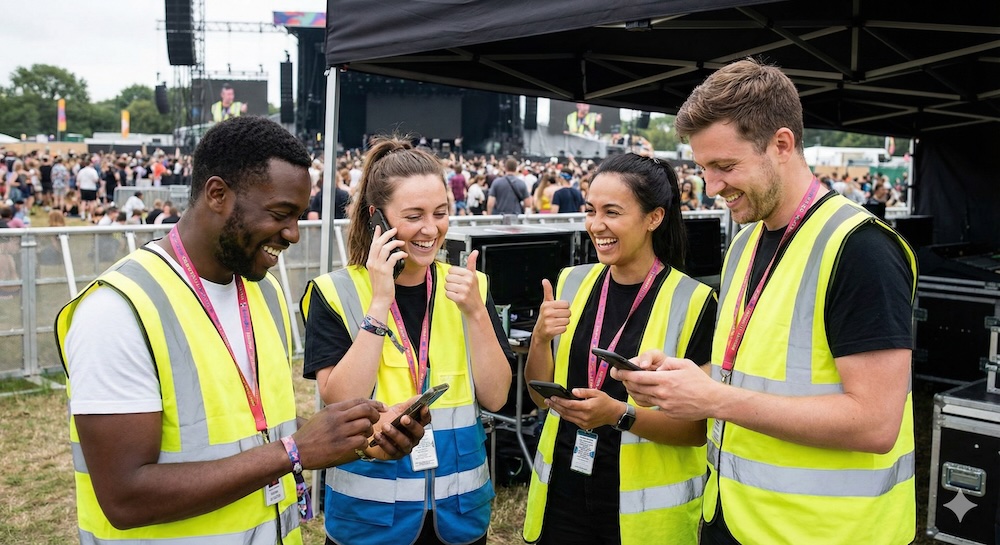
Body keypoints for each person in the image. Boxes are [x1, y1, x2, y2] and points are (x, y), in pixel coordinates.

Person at [55, 116, 428, 545]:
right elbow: (124, 497)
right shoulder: (117, 311)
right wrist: (295, 452)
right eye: (279, 214)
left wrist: (355, 436)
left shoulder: (262, 292)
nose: (292, 233)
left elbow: (249, 431)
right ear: (217, 194)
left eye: (298, 216)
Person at [615, 58, 917, 545]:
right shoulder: (745, 243)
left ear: (782, 144)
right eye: (703, 168)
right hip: (734, 517)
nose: (711, 187)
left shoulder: (860, 248)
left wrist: (715, 399)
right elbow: (747, 369)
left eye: (725, 166)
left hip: (825, 534)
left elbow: (876, 423)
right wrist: (685, 377)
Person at [300, 135, 513, 545]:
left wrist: (476, 313)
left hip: (459, 516)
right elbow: (340, 400)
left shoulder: (470, 287)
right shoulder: (336, 292)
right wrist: (380, 302)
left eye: (441, 213)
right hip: (370, 522)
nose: (430, 229)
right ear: (377, 217)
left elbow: (497, 396)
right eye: (413, 216)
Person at [522, 153, 716, 545]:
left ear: (654, 218)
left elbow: (697, 431)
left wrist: (619, 415)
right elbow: (538, 397)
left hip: (643, 518)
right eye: (590, 210)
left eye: (612, 212)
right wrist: (540, 339)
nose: (596, 225)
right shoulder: (571, 282)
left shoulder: (694, 302)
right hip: (562, 494)